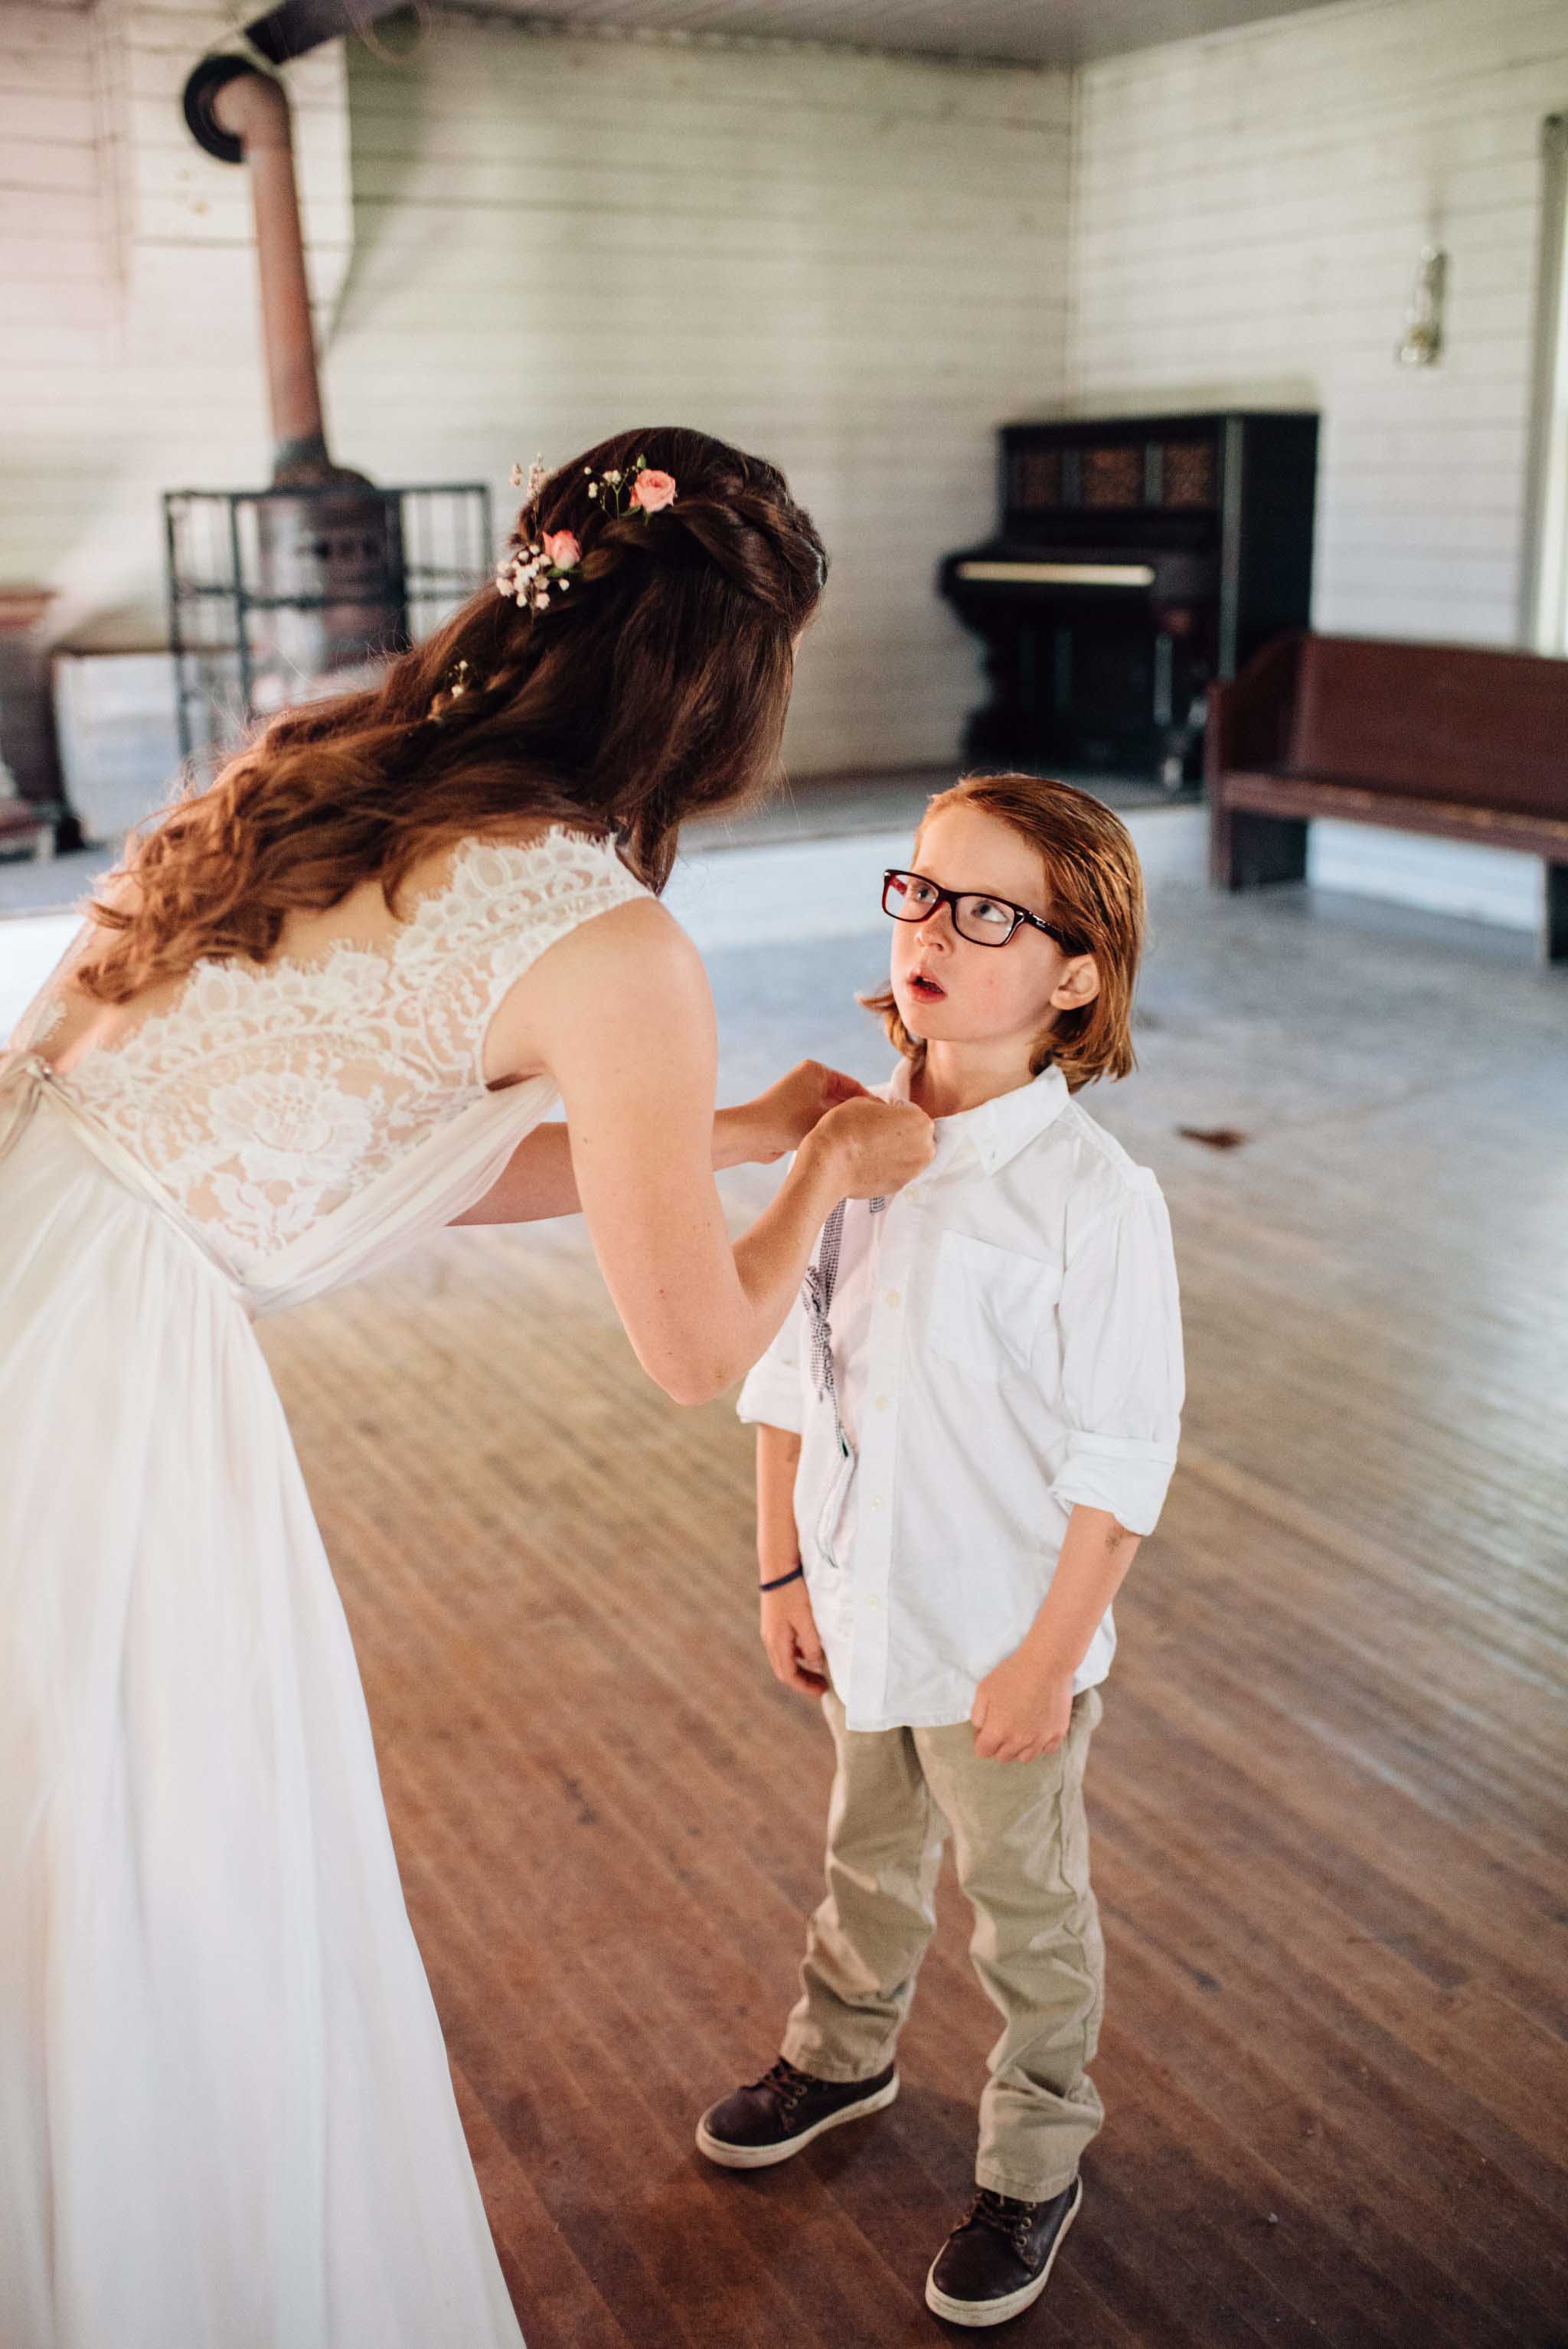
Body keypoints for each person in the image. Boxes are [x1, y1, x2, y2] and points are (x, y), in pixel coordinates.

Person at [0, 426, 933, 2349]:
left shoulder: (323, 773)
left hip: (32, 1244)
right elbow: (695, 1354)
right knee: (143, 1880)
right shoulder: (608, 938)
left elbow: (337, 1138)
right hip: (103, 1381)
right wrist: (831, 1171)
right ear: (721, 704)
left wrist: (720, 1135)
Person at [696, 774, 1184, 2328]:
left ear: (1074, 970)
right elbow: (786, 1365)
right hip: (860, 1605)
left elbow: (1121, 1459)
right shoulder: (851, 1144)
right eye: (916, 889)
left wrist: (1045, 1659)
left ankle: (1036, 2150)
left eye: (989, 911)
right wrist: (779, 1566)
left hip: (1001, 1647)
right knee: (865, 1858)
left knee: (1025, 1907)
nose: (933, 928)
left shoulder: (1093, 1202)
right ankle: (844, 2054)